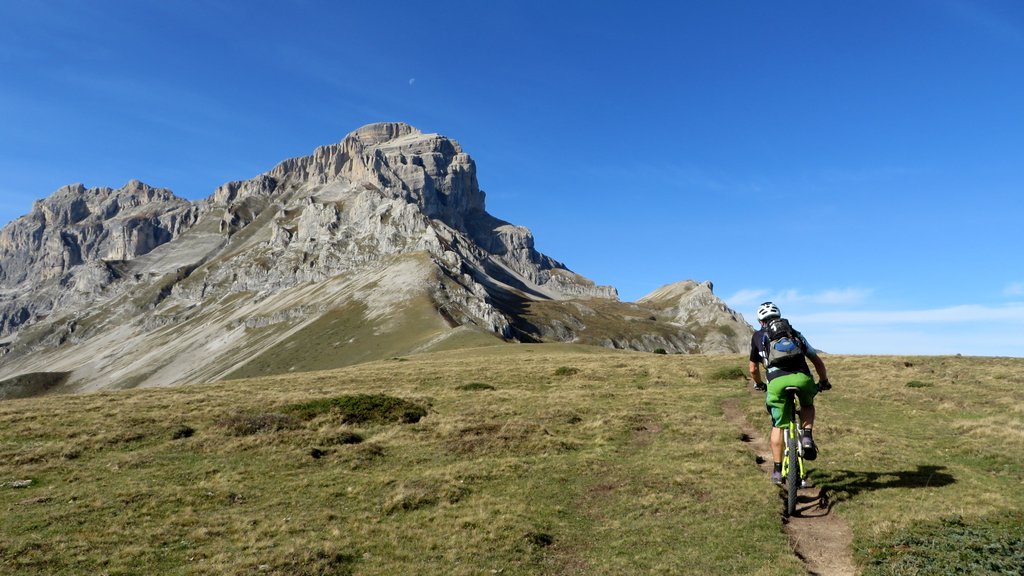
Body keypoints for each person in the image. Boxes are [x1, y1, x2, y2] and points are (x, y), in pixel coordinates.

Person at [748, 301, 831, 485]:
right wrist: (823, 381)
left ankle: (777, 471)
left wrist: (760, 384)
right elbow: (816, 361)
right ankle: (807, 436)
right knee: (807, 404)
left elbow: (753, 369)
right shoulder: (794, 333)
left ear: (761, 321)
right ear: (779, 317)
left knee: (778, 425)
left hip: (776, 383)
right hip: (802, 378)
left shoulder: (757, 336)